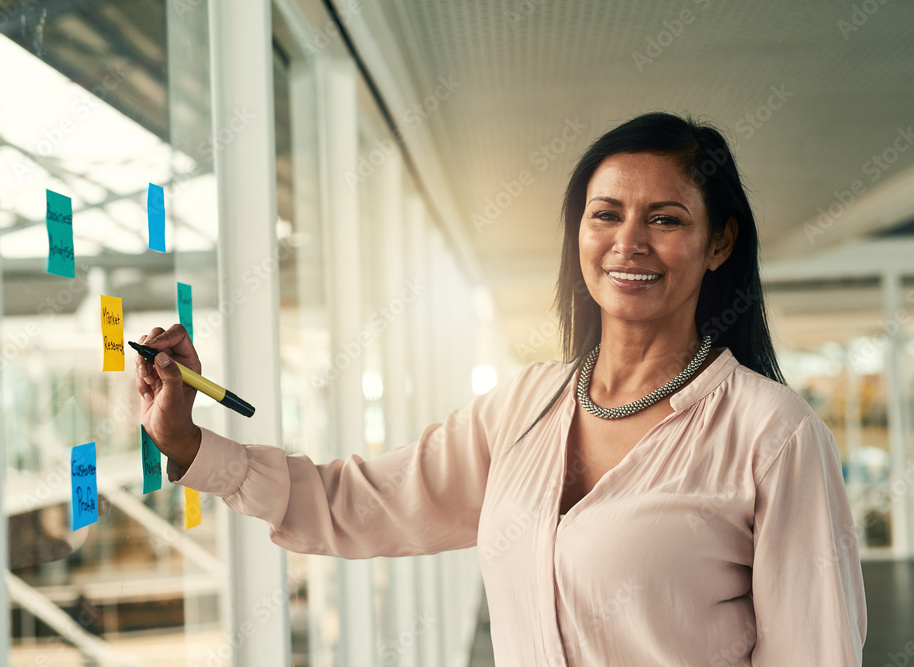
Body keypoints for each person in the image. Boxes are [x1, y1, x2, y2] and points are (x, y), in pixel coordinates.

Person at [135, 111, 866, 666]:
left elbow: (816, 651)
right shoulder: (526, 406)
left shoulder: (774, 435)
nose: (628, 242)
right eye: (605, 214)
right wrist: (190, 442)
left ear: (719, 242)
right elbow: (356, 503)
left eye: (665, 219)